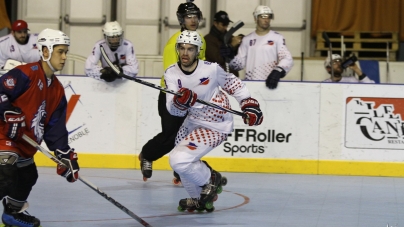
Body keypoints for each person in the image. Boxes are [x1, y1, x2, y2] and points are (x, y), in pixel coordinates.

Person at [165, 30, 263, 210]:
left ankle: (210, 179)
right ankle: (199, 199)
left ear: (198, 51)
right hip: (192, 121)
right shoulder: (171, 73)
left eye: (190, 49)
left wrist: (249, 105)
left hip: (215, 124)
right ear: (177, 49)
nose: (185, 53)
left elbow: (235, 85)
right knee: (182, 166)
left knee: (178, 160)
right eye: (182, 48)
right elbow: (173, 111)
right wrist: (180, 102)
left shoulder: (211, 69)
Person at [0, 28, 80, 227]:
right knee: (5, 174)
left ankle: (11, 215)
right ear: (45, 52)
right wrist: (8, 112)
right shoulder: (26, 74)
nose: (64, 57)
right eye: (60, 51)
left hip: (25, 144)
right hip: (4, 137)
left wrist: (64, 154)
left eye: (65, 52)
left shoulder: (58, 90)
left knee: (28, 175)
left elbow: (55, 128)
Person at [139, 2, 207, 182]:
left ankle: (181, 169)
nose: (193, 20)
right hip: (172, 95)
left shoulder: (201, 40)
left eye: (195, 16)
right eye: (188, 17)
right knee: (171, 136)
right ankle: (147, 154)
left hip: (192, 96)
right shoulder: (174, 43)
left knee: (189, 135)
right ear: (181, 20)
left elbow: (203, 69)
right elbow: (172, 74)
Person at [222, 5, 294, 89]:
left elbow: (287, 58)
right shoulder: (247, 39)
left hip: (270, 84)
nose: (266, 20)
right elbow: (238, 65)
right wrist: (230, 56)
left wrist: (278, 71)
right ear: (255, 18)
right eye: (263, 17)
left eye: (269, 17)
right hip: (251, 85)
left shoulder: (277, 38)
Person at [204, 10, 243, 76]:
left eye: (227, 24)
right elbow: (217, 59)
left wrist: (241, 40)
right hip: (216, 78)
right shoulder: (208, 39)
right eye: (223, 24)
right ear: (215, 23)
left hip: (232, 78)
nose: (225, 27)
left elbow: (239, 55)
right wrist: (231, 46)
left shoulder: (229, 37)